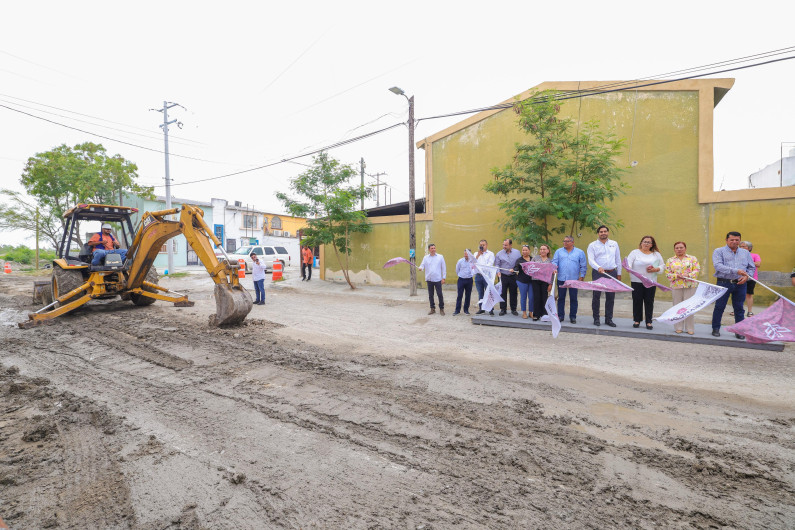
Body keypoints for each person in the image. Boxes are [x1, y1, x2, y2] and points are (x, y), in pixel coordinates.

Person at [711, 231, 755, 339]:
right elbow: (718, 266)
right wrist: (736, 271)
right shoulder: (719, 251)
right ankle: (715, 328)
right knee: (719, 306)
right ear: (726, 240)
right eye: (732, 240)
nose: (734, 242)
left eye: (737, 240)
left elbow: (751, 267)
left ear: (740, 240)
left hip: (741, 284)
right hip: (723, 282)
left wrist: (746, 276)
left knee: (739, 308)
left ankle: (739, 330)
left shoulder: (745, 253)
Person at [626, 235, 664, 330]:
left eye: (648, 242)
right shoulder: (635, 252)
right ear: (641, 243)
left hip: (651, 281)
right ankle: (637, 320)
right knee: (637, 300)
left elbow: (663, 266)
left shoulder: (656, 254)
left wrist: (655, 269)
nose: (646, 243)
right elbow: (628, 263)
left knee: (649, 301)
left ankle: (649, 321)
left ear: (652, 244)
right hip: (636, 281)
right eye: (644, 241)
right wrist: (629, 267)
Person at [586, 225, 622, 327]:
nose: (603, 233)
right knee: (596, 296)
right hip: (598, 273)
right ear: (598, 233)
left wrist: (619, 273)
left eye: (605, 231)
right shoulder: (592, 245)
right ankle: (596, 318)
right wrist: (598, 267)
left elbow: (618, 259)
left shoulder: (614, 244)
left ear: (608, 232)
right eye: (601, 232)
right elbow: (591, 260)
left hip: (612, 273)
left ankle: (608, 319)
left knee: (610, 297)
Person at [664, 241, 700, 335]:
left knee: (689, 307)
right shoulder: (670, 260)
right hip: (676, 286)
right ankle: (678, 327)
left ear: (685, 248)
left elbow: (696, 270)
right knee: (677, 307)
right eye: (677, 248)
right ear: (674, 249)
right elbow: (667, 273)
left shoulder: (692, 258)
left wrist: (687, 275)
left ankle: (690, 328)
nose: (679, 249)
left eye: (681, 247)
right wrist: (676, 276)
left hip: (690, 285)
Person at [552, 236, 587, 324]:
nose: (565, 243)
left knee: (573, 298)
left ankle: (573, 317)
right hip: (561, 278)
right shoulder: (558, 251)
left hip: (574, 279)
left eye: (567, 241)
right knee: (561, 298)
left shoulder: (580, 252)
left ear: (572, 242)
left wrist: (582, 276)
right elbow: (554, 261)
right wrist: (554, 267)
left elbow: (583, 265)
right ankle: (560, 316)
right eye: (564, 241)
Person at [495, 238, 521, 316]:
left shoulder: (517, 253)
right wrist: (498, 271)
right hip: (503, 276)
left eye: (506, 245)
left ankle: (513, 309)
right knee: (502, 293)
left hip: (513, 276)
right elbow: (497, 264)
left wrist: (515, 269)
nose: (504, 246)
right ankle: (503, 309)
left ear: (510, 245)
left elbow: (519, 263)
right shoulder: (499, 254)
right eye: (503, 245)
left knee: (513, 293)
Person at [418, 243, 446, 315]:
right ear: (429, 249)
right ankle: (432, 308)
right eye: (432, 248)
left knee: (439, 294)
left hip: (437, 279)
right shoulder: (426, 258)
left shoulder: (440, 257)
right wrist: (421, 268)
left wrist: (443, 278)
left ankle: (441, 308)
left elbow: (444, 268)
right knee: (431, 295)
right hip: (429, 279)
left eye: (434, 248)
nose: (433, 249)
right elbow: (422, 265)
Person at [531, 244, 553, 321]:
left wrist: (550, 284)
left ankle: (544, 314)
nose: (542, 251)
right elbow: (530, 268)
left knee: (544, 298)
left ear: (548, 251)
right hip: (535, 280)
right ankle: (536, 314)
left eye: (544, 249)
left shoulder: (550, 261)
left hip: (545, 281)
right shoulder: (535, 258)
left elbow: (551, 273)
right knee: (537, 297)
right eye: (541, 249)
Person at [473, 239, 495, 315]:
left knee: (489, 292)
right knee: (480, 293)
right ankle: (481, 308)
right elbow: (473, 263)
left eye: (483, 245)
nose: (482, 246)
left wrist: (481, 268)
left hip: (487, 276)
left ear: (487, 245)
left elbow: (490, 264)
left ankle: (491, 309)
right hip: (478, 276)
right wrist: (478, 255)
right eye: (481, 245)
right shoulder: (476, 253)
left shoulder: (490, 254)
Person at [739, 241, 761, 316]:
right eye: (740, 246)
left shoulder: (755, 255)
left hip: (751, 278)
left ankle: (749, 311)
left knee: (749, 294)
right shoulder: (737, 255)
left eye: (743, 246)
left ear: (749, 248)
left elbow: (758, 264)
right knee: (738, 294)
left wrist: (747, 262)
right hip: (739, 277)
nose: (741, 248)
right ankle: (737, 310)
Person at [514, 245, 534, 319]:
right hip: (522, 281)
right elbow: (515, 268)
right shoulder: (519, 260)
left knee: (531, 297)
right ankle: (524, 313)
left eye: (526, 250)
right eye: (523, 250)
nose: (524, 252)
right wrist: (513, 270)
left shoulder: (533, 259)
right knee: (523, 297)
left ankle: (531, 312)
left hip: (532, 281)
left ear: (529, 251)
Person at [453, 249, 474, 316]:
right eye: (465, 254)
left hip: (469, 280)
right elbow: (457, 270)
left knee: (468, 295)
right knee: (459, 295)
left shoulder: (472, 261)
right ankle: (457, 310)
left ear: (470, 254)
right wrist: (461, 275)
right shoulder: (460, 261)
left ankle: (466, 310)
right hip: (461, 280)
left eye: (467, 254)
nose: (466, 255)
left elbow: (474, 269)